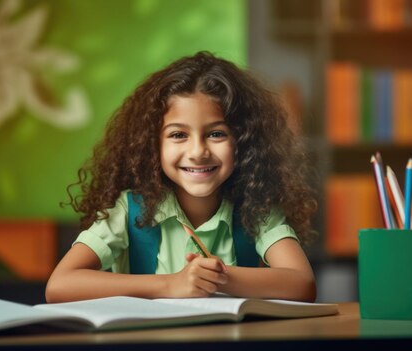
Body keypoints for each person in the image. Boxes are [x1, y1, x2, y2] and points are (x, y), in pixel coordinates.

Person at [46, 51, 318, 303]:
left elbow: (302, 283)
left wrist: (216, 276)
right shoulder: (127, 210)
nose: (198, 152)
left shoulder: (257, 209)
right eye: (178, 135)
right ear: (153, 145)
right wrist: (170, 285)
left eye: (216, 134)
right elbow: (59, 285)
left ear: (244, 142)